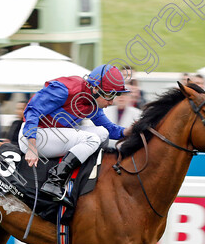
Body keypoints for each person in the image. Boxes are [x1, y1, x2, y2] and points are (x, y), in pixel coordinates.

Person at [19, 64, 131, 206]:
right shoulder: (65, 89)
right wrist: (32, 145)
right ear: (95, 88)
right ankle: (54, 181)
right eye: (109, 95)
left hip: (54, 135)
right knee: (92, 138)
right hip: (33, 136)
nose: (111, 101)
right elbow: (32, 110)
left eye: (115, 96)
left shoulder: (93, 101)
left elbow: (109, 128)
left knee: (102, 133)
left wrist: (128, 132)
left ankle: (85, 177)